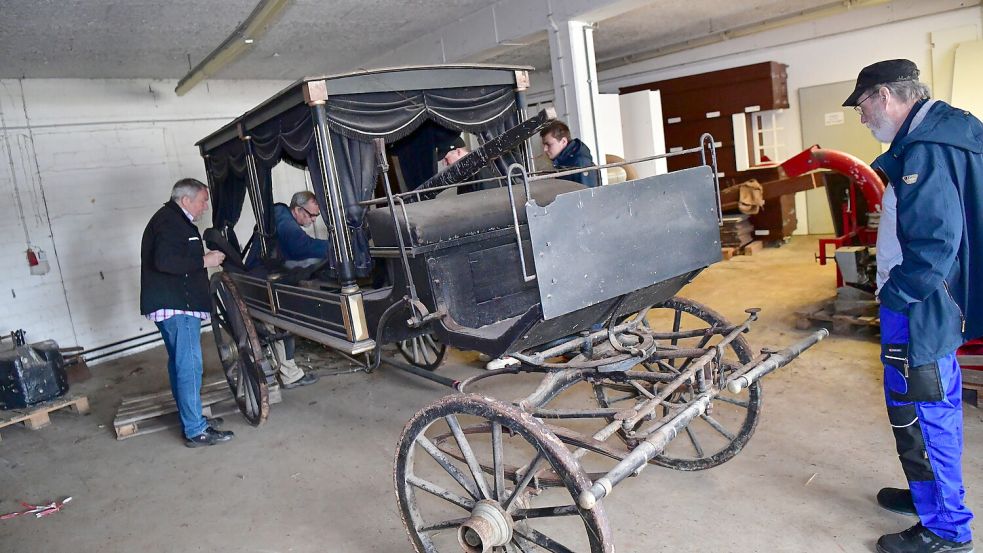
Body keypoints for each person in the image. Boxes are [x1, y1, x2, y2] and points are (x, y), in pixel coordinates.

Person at [844, 59, 981, 553]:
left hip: (921, 304)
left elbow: (935, 243)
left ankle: (947, 527)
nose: (862, 118)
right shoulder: (948, 130)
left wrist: (896, 294)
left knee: (922, 409)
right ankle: (928, 495)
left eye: (862, 106)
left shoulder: (925, 148)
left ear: (884, 96)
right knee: (927, 405)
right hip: (938, 299)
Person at [141, 178, 234, 447]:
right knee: (189, 367)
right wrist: (205, 260)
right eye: (203, 200)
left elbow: (173, 256)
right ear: (186, 200)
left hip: (176, 305)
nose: (205, 206)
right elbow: (165, 261)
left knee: (180, 365)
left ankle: (192, 419)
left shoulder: (172, 220)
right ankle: (195, 429)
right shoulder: (169, 222)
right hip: (178, 308)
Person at [540, 120, 598, 188]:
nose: (545, 149)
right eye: (544, 145)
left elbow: (588, 195)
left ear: (563, 141)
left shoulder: (580, 163)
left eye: (548, 144)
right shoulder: (562, 161)